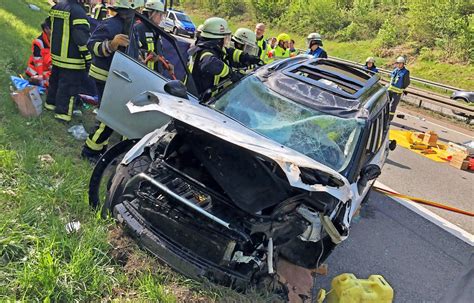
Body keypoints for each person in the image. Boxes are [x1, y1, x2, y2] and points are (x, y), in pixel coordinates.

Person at [81, 0, 144, 162]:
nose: (141, 12)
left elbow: (131, 50)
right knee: (109, 117)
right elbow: (92, 45)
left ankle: (99, 149)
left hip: (118, 77)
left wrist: (139, 60)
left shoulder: (130, 27)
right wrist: (112, 44)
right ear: (130, 9)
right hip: (105, 77)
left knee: (111, 116)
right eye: (138, 9)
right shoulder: (111, 25)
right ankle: (90, 151)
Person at [187, 17, 261, 97]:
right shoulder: (204, 52)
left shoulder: (215, 48)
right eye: (224, 38)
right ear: (218, 39)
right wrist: (230, 73)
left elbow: (230, 52)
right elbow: (209, 63)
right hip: (195, 99)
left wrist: (247, 57)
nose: (226, 40)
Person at [45, 0, 92, 122]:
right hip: (72, 59)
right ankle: (62, 115)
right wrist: (88, 57)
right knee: (68, 88)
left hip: (57, 55)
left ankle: (50, 104)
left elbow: (47, 24)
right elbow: (81, 38)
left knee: (55, 81)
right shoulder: (78, 11)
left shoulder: (57, 7)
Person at [136, 0, 167, 74]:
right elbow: (133, 52)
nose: (161, 18)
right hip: (141, 74)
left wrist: (164, 64)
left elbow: (158, 52)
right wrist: (148, 55)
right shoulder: (138, 29)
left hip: (152, 75)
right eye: (160, 14)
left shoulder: (155, 31)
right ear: (151, 13)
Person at [25, 17, 52, 88]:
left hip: (48, 71)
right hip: (36, 71)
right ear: (46, 29)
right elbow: (38, 63)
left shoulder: (56, 40)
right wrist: (41, 77)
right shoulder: (39, 42)